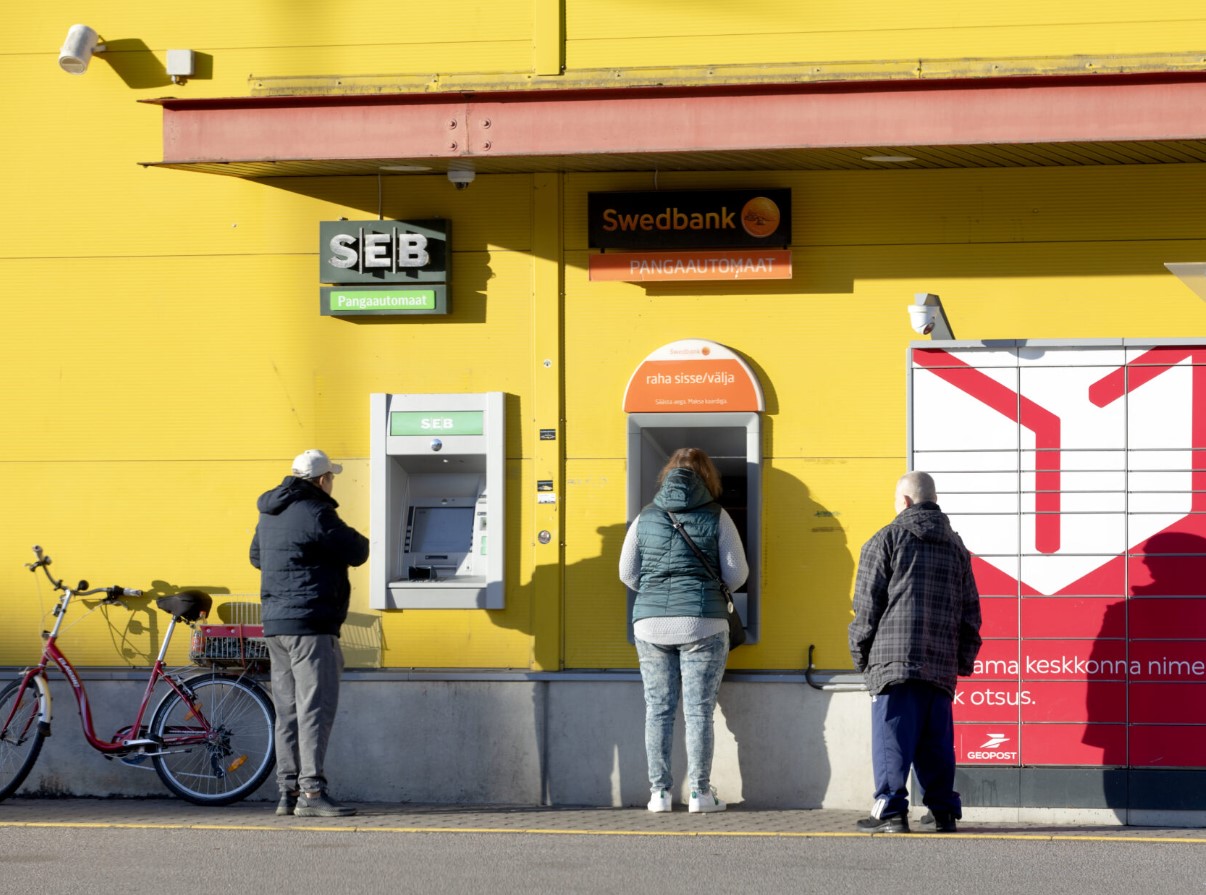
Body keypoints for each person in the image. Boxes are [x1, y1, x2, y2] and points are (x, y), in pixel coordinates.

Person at [848, 470, 982, 834]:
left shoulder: (886, 538)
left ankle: (891, 812)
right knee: (936, 741)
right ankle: (943, 812)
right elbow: (972, 612)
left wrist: (861, 655)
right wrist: (961, 661)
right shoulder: (957, 547)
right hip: (939, 664)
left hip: (893, 661)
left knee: (893, 738)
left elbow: (866, 607)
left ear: (905, 501)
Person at [619, 447, 748, 814]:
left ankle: (659, 794)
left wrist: (658, 591)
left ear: (667, 475)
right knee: (698, 712)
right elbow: (737, 575)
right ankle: (700, 795)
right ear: (708, 478)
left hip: (650, 624)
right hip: (702, 622)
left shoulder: (646, 516)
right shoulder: (717, 515)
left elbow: (627, 573)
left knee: (658, 710)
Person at [250, 449, 370, 818]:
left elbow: (258, 558)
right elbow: (358, 550)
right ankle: (313, 793)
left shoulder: (269, 514)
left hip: (276, 626)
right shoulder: (318, 512)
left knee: (287, 711)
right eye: (331, 476)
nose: (332, 481)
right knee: (314, 709)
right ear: (322, 480)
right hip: (310, 626)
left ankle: (287, 793)